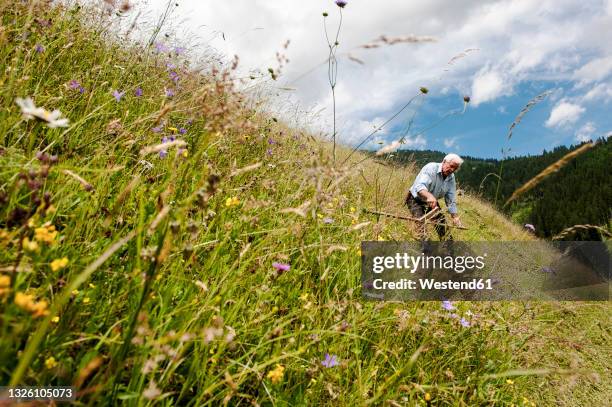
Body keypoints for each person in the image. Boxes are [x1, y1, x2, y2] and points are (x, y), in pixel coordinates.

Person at [406, 153, 463, 241]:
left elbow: (450, 199)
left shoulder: (451, 177)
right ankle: (427, 252)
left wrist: (454, 216)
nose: (452, 170)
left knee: (443, 228)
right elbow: (420, 186)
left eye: (455, 168)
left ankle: (449, 253)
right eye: (451, 166)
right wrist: (429, 196)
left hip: (432, 204)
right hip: (415, 199)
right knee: (421, 227)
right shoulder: (431, 168)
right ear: (444, 161)